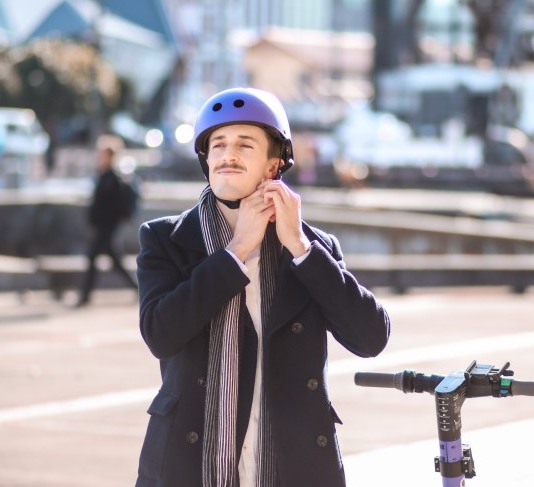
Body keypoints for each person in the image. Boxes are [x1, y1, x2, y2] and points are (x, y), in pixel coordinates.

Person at [134, 87, 391, 487]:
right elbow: (160, 335)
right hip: (189, 468)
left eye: (244, 144)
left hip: (295, 468)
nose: (227, 154)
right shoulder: (166, 240)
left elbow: (371, 338)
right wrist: (235, 254)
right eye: (217, 144)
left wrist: (301, 249)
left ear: (274, 164)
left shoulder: (311, 247)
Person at [77, 134, 138, 307]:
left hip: (106, 227)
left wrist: (102, 219)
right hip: (103, 226)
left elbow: (110, 206)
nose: (99, 157)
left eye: (102, 154)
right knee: (115, 261)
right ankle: (137, 288)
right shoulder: (104, 177)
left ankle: (85, 295)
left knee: (93, 258)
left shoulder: (111, 179)